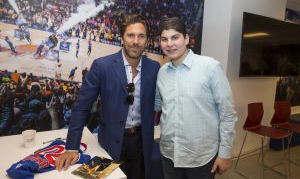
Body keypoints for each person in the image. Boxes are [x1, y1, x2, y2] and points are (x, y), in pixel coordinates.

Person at [56, 14, 160, 179]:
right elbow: (82, 107)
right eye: (130, 35)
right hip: (109, 143)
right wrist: (71, 147)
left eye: (141, 36)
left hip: (142, 143)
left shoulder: (154, 68)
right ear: (122, 38)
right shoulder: (101, 66)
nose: (136, 41)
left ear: (147, 40)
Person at [155, 17, 237, 179]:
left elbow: (228, 114)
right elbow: (158, 105)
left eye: (175, 37)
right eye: (164, 39)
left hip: (201, 159)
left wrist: (225, 154)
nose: (169, 44)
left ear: (186, 39)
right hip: (169, 155)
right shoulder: (162, 72)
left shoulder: (210, 67)